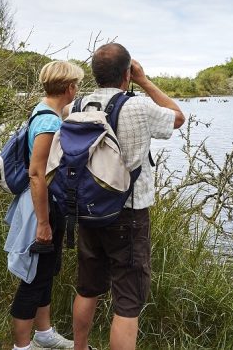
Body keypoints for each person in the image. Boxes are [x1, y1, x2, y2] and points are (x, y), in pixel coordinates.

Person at [71, 43, 185, 350]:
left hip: (88, 208)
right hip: (128, 211)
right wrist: (145, 81)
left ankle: (78, 348)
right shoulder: (138, 106)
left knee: (87, 287)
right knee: (127, 300)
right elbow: (177, 117)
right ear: (127, 74)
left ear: (94, 74)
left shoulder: (78, 106)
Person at [8, 60, 84, 350]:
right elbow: (37, 173)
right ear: (69, 87)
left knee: (44, 272)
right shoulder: (49, 121)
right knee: (33, 277)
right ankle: (22, 346)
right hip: (43, 207)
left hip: (48, 204)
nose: (77, 90)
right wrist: (43, 223)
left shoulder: (43, 111)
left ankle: (44, 334)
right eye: (76, 85)